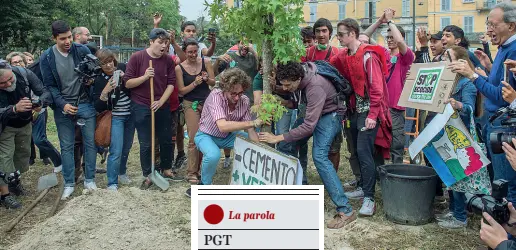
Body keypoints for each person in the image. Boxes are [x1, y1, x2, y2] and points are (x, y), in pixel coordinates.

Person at [259, 61, 356, 229]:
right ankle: (297, 190)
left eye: (289, 85)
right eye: (284, 85)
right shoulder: (300, 80)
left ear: (298, 78)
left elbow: (308, 126)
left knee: (319, 156)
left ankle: (346, 210)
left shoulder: (315, 87)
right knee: (285, 146)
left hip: (331, 115)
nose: (286, 89)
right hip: (315, 112)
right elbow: (298, 103)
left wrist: (278, 137)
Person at [448, 2, 516, 203]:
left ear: (511, 26)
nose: (489, 30)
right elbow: (496, 86)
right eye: (488, 24)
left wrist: (473, 76)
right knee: (498, 180)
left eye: (494, 25)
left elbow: (500, 95)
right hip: (494, 122)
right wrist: (487, 69)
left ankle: (509, 232)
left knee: (506, 184)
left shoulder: (513, 50)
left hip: (504, 125)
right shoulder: (504, 48)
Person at [330, 18, 392, 216]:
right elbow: (330, 65)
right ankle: (364, 187)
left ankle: (369, 198)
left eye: (340, 34)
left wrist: (373, 114)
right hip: (354, 110)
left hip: (368, 112)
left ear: (352, 34)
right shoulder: (346, 54)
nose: (337, 37)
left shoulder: (368, 56)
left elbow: (377, 88)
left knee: (365, 153)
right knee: (357, 152)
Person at [40, 20, 99, 200]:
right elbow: (50, 86)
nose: (68, 42)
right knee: (66, 146)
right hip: (63, 107)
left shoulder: (82, 50)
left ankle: (90, 179)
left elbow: (93, 74)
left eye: (70, 37)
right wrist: (62, 104)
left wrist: (90, 80)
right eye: (63, 38)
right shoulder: (47, 57)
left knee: (90, 143)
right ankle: (69, 183)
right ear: (54, 38)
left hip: (84, 103)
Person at [185, 68, 261, 197]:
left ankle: (247, 181)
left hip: (227, 136)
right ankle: (203, 185)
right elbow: (223, 126)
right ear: (225, 88)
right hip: (205, 135)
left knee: (252, 143)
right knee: (213, 155)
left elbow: (250, 129)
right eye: (233, 93)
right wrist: (253, 122)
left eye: (241, 93)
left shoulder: (245, 100)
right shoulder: (215, 95)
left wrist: (259, 149)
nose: (237, 97)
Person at [429, 46, 478, 229]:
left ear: (460, 61)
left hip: (460, 135)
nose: (443, 59)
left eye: (448, 57)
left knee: (458, 177)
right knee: (451, 175)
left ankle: (460, 216)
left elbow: (470, 109)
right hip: (447, 133)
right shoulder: (448, 82)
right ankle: (453, 210)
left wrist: (457, 104)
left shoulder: (466, 83)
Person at [125, 28, 179, 189]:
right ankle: (148, 173)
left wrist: (161, 101)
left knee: (166, 139)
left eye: (166, 43)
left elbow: (171, 84)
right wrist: (144, 77)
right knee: (146, 142)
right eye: (160, 42)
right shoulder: (137, 58)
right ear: (151, 42)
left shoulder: (168, 60)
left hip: (161, 104)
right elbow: (127, 83)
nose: (163, 46)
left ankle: (166, 168)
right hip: (141, 105)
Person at [363, 8, 414, 164]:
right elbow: (364, 37)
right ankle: (380, 173)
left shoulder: (406, 56)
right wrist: (380, 21)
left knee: (396, 144)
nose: (390, 39)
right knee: (378, 142)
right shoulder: (383, 53)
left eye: (392, 36)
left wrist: (391, 21)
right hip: (379, 105)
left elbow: (400, 42)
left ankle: (396, 173)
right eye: (388, 37)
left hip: (395, 107)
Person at [0, 60, 52, 209]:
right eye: (2, 84)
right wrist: (14, 109)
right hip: (4, 127)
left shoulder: (23, 74)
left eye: (10, 79)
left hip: (24, 124)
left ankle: (14, 183)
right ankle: (4, 195)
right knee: (4, 158)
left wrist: (40, 102)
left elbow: (45, 91)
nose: (9, 84)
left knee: (22, 155)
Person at [92, 48, 134, 191]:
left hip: (131, 114)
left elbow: (134, 87)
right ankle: (112, 182)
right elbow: (98, 106)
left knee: (127, 147)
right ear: (100, 65)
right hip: (116, 117)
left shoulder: (123, 68)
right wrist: (105, 91)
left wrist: (126, 78)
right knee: (116, 149)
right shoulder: (99, 79)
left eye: (110, 61)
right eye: (104, 63)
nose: (109, 66)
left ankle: (122, 172)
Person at [176, 38, 215, 185]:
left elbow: (213, 81)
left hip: (206, 102)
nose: (193, 55)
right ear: (184, 52)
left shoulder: (206, 62)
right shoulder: (179, 68)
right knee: (193, 137)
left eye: (195, 52)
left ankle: (203, 169)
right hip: (190, 103)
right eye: (189, 52)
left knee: (207, 136)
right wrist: (195, 83)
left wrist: (206, 79)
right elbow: (181, 91)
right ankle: (192, 172)